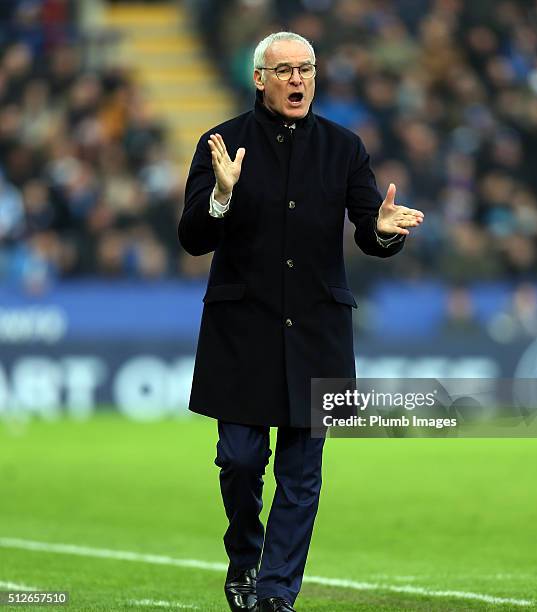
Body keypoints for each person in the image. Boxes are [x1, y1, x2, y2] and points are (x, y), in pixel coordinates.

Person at [178, 31, 423, 612]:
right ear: (259, 79)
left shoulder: (344, 147)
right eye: (284, 70)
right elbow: (192, 239)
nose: (297, 80)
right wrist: (221, 195)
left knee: (302, 475)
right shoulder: (221, 143)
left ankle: (275, 593)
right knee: (239, 461)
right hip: (243, 333)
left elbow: (370, 226)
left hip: (317, 333)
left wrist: (383, 231)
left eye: (306, 69)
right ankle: (244, 557)